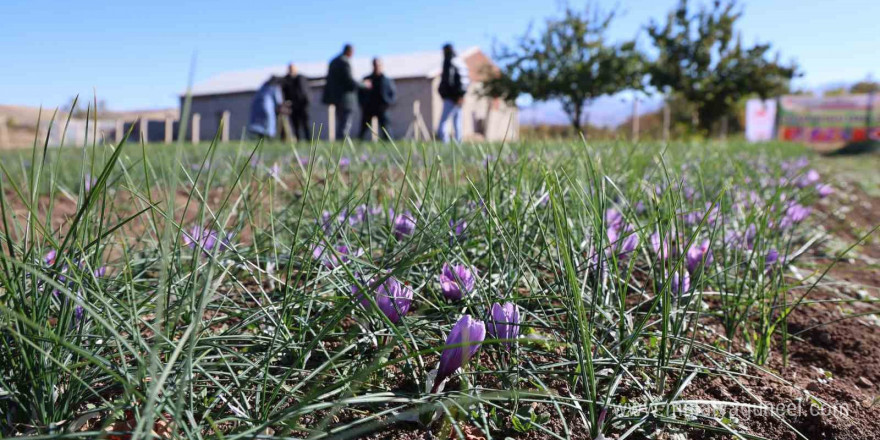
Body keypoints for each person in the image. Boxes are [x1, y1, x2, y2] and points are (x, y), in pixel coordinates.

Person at [321, 44, 360, 140]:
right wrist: (363, 85)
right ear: (349, 51)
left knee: (341, 121)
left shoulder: (333, 61)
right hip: (346, 98)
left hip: (336, 98)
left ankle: (340, 141)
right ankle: (343, 142)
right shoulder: (344, 62)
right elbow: (349, 80)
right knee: (345, 122)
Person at [436, 43, 470, 143]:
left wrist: (443, 92)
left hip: (451, 97)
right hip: (459, 98)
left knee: (443, 122)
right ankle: (459, 143)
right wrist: (461, 95)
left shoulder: (449, 62)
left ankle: (444, 142)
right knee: (457, 121)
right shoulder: (460, 62)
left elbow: (448, 80)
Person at [359, 58, 397, 140]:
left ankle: (389, 143)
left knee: (386, 128)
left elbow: (392, 93)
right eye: (375, 65)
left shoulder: (386, 80)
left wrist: (389, 103)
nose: (377, 67)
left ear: (381, 66)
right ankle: (358, 143)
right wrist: (363, 104)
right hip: (369, 107)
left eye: (378, 65)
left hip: (382, 108)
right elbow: (360, 93)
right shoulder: (367, 79)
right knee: (363, 128)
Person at [281, 63, 311, 142]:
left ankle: (309, 140)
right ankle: (298, 140)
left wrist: (306, 101)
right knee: (295, 125)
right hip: (293, 106)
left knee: (305, 124)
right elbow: (284, 92)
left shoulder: (301, 78)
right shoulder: (286, 80)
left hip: (302, 105)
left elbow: (305, 91)